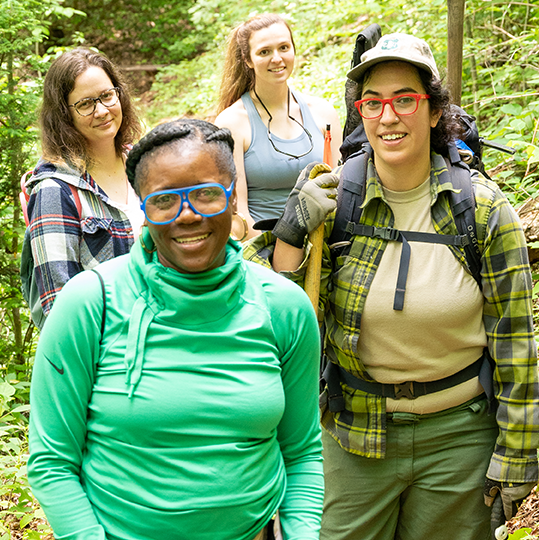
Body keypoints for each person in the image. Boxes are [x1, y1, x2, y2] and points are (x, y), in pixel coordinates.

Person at [244, 33, 539, 540]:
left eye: (405, 99)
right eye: (373, 102)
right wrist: (291, 235)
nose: (388, 116)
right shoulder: (333, 202)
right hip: (352, 429)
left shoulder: (483, 210)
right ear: (360, 113)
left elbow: (516, 343)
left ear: (432, 111)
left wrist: (517, 456)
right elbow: (278, 324)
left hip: (459, 438)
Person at [27, 119, 324, 540]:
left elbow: (302, 453)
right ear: (142, 208)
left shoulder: (283, 308)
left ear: (233, 198)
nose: (187, 216)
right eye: (164, 201)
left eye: (206, 194)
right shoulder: (89, 304)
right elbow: (52, 462)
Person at [24, 47, 144, 322]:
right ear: (64, 115)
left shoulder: (144, 163)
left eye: (106, 96)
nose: (102, 111)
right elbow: (57, 303)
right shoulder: (54, 189)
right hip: (108, 343)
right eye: (86, 104)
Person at [215, 13, 341, 240]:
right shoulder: (232, 123)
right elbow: (238, 213)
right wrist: (276, 257)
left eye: (284, 47)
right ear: (248, 60)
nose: (277, 58)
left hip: (324, 243)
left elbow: (340, 189)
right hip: (261, 246)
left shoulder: (323, 113)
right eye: (264, 52)